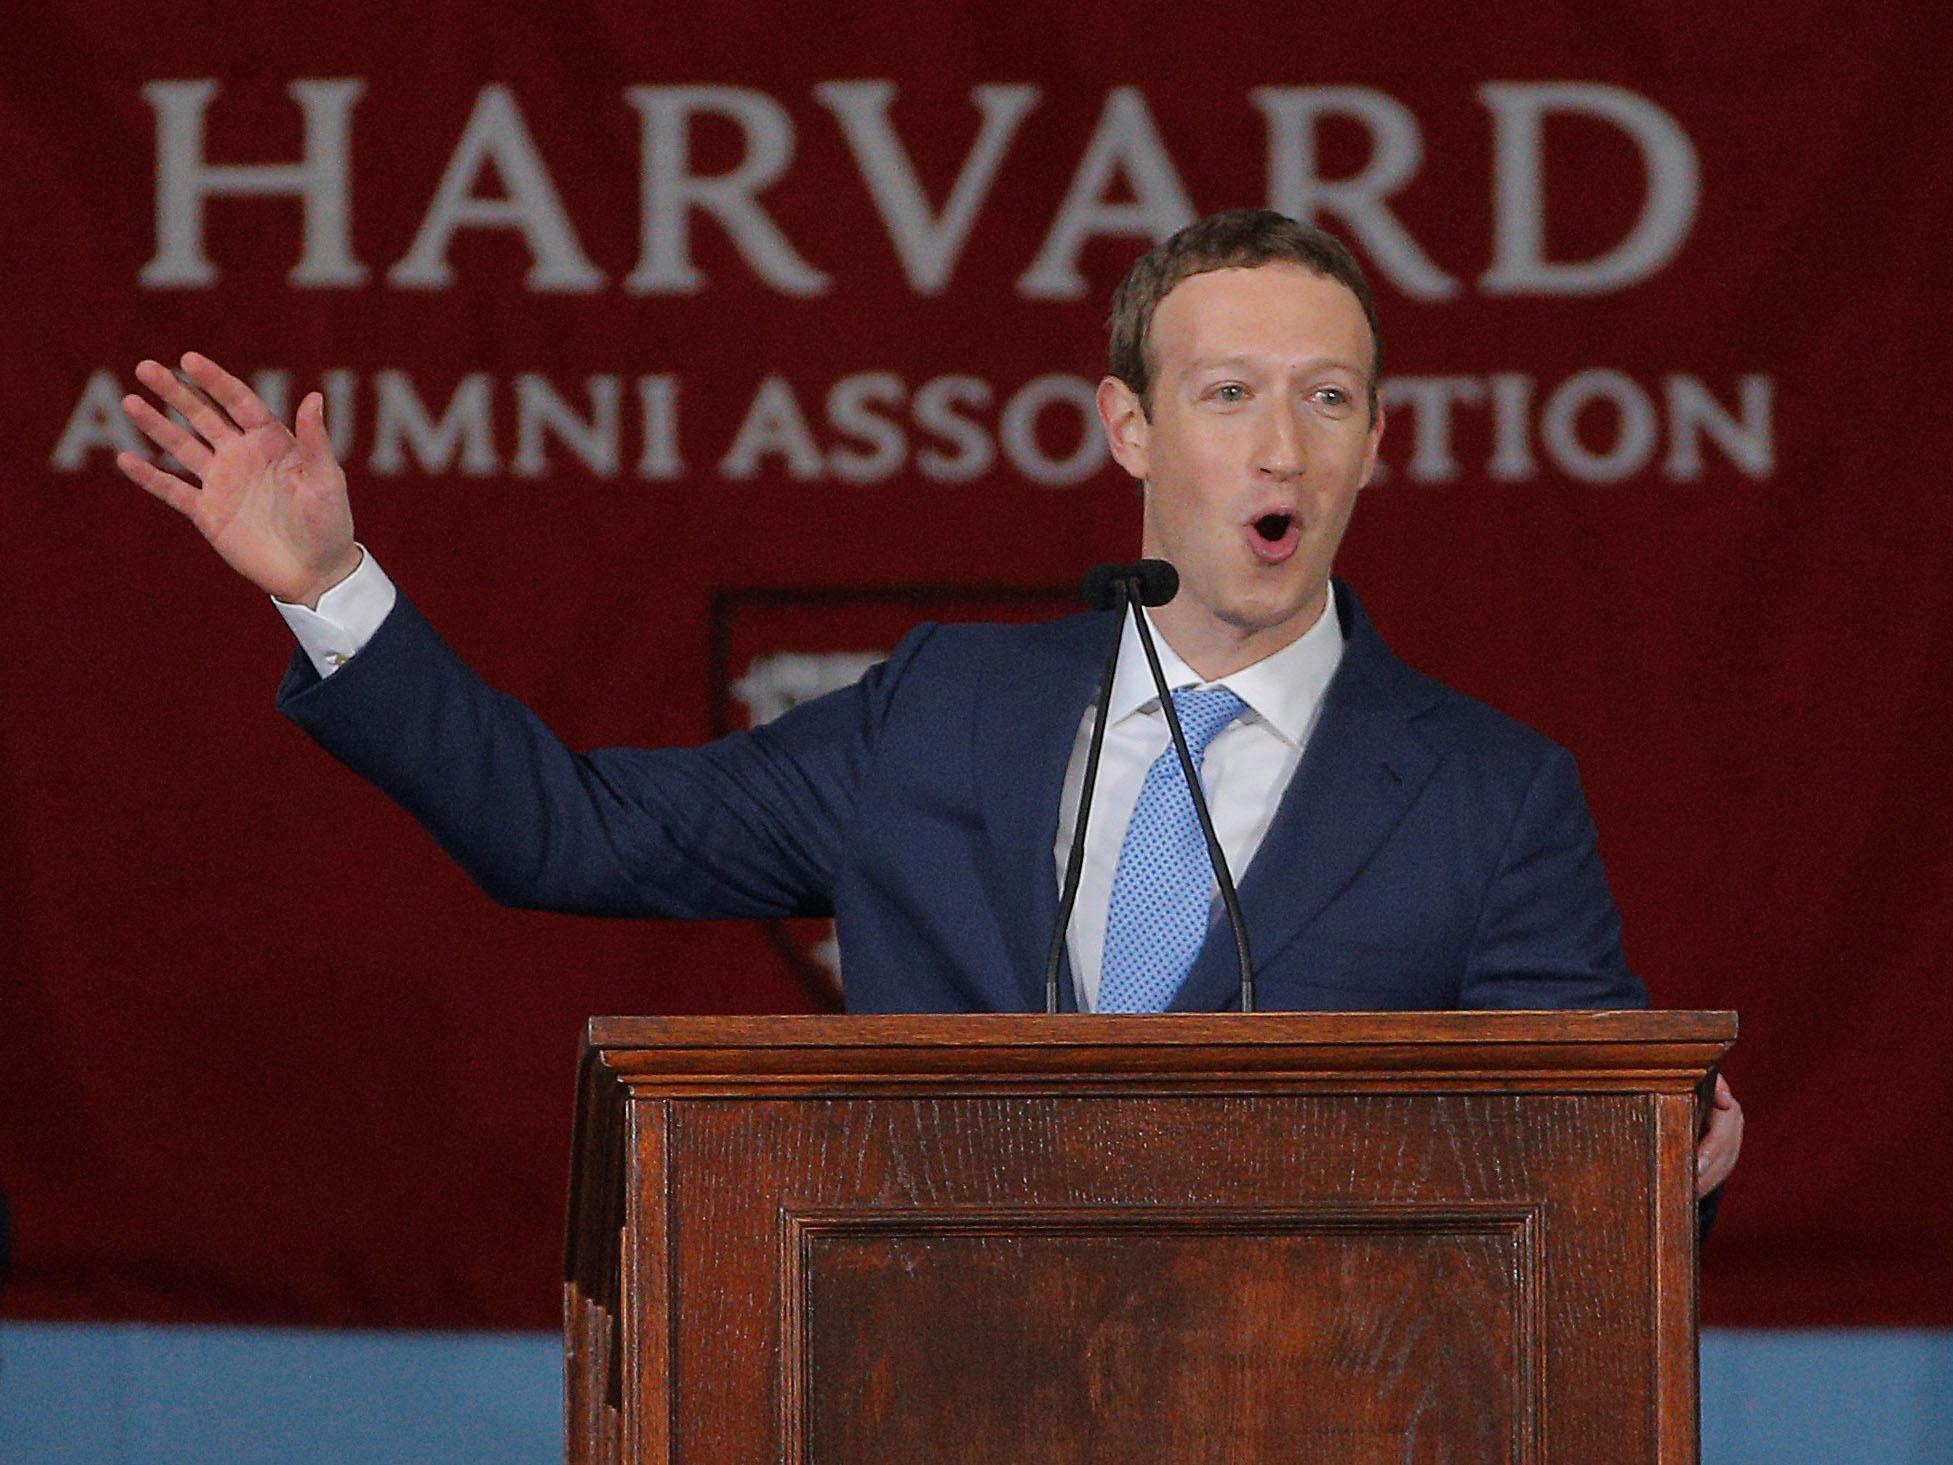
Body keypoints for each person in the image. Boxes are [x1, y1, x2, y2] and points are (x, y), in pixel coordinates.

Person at [115, 210, 1741, 1198]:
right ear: (1128, 428)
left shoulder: (1489, 792)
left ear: (1377, 444)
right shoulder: (947, 711)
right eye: (1226, 394)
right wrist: (329, 586)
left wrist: (1673, 1175)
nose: (1281, 447)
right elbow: (572, 830)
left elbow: (1592, 1163)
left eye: (1327, 400)